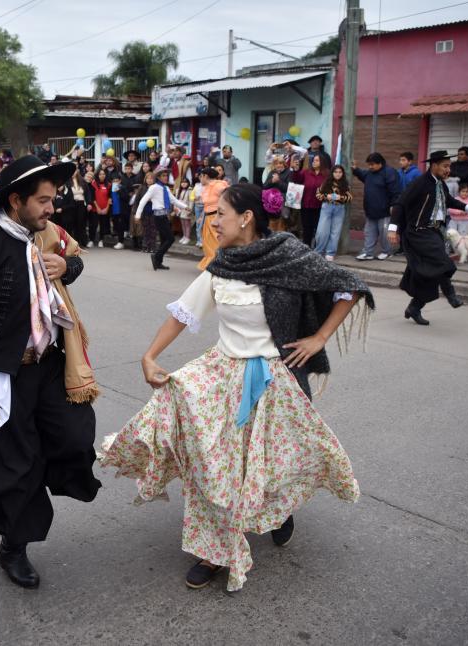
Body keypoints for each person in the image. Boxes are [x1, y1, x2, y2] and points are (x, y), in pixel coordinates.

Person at [101, 182, 372, 591]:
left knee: (270, 464)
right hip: (223, 377)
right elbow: (183, 313)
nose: (213, 222)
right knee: (215, 466)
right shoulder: (221, 266)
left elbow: (348, 286)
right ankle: (213, 552)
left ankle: (277, 510)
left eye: (219, 214)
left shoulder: (289, 256)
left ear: (245, 218)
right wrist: (149, 355)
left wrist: (319, 338)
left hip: (276, 380)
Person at [0, 155, 100, 589]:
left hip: (49, 367)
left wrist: (68, 266)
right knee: (16, 465)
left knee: (74, 437)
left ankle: (34, 472)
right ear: (15, 201)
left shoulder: (45, 235)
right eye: (43, 201)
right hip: (1, 376)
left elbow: (74, 261)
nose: (51, 209)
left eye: (53, 200)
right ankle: (14, 544)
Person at [388, 151, 468, 326]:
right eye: (445, 166)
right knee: (441, 261)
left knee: (429, 274)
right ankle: (451, 294)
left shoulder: (441, 185)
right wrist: (393, 229)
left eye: (450, 166)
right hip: (418, 233)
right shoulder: (420, 183)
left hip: (434, 233)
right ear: (434, 165)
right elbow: (400, 204)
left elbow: (449, 201)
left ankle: (414, 307)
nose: (448, 170)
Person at [135, 167, 189, 271]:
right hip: (158, 217)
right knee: (170, 239)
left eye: (167, 176)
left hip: (165, 216)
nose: (166, 177)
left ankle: (158, 262)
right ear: (158, 177)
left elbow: (174, 200)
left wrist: (185, 207)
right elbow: (143, 201)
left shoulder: (166, 188)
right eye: (163, 176)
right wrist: (137, 215)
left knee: (164, 240)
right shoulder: (154, 187)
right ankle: (156, 256)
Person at [352, 153, 400, 261]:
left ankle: (387, 252)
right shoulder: (369, 173)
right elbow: (362, 174)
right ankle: (368, 253)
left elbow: (395, 192)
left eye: (372, 164)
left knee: (384, 234)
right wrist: (355, 169)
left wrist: (394, 205)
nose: (370, 167)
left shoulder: (390, 172)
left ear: (380, 163)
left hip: (384, 210)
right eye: (369, 164)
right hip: (370, 210)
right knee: (369, 233)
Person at [314, 164, 352, 261]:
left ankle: (330, 252)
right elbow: (318, 194)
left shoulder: (345, 184)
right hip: (327, 207)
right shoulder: (326, 182)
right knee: (322, 231)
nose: (338, 174)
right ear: (332, 173)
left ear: (342, 174)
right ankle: (319, 251)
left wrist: (341, 197)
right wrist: (327, 196)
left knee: (335, 232)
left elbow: (350, 197)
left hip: (339, 208)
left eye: (340, 172)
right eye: (336, 172)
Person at [292, 154, 329, 248]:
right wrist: (296, 170)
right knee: (307, 228)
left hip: (320, 206)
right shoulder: (306, 172)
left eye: (317, 160)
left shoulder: (327, 174)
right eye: (313, 160)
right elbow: (296, 180)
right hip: (306, 205)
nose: (314, 162)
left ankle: (318, 248)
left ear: (322, 162)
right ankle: (306, 247)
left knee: (319, 229)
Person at [197, 168, 229, 270]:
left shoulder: (218, 186)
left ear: (205, 176)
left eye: (201, 176)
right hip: (208, 217)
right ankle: (213, 263)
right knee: (207, 242)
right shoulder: (206, 187)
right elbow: (207, 204)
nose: (200, 178)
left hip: (216, 218)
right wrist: (202, 216)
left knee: (216, 241)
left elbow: (229, 197)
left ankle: (219, 263)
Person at [89, 168, 111, 248]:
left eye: (103, 174)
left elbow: (109, 197)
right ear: (97, 175)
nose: (102, 176)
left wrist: (107, 208)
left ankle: (101, 240)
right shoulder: (93, 183)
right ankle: (91, 240)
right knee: (93, 225)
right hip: (95, 209)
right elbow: (92, 197)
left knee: (103, 225)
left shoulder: (108, 184)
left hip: (105, 209)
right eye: (100, 174)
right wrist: (97, 208)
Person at [175, 177, 194, 244]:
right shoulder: (178, 190)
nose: (183, 184)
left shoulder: (190, 190)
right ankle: (184, 236)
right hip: (180, 210)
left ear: (188, 183)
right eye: (182, 182)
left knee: (187, 224)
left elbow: (191, 201)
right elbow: (176, 200)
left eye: (185, 182)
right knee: (182, 224)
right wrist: (176, 208)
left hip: (187, 209)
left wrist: (190, 210)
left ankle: (187, 237)